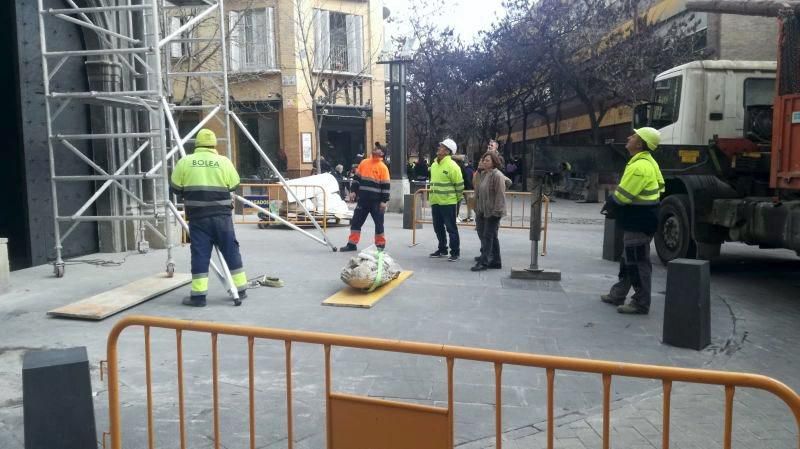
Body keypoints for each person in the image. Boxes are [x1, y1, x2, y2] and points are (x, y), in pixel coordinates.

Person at [170, 128, 247, 307]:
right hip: (222, 217)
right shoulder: (224, 162)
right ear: (214, 144)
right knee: (230, 250)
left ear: (196, 144)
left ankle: (198, 296)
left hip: (198, 219)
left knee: (200, 254)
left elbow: (174, 187)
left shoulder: (185, 162)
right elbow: (234, 184)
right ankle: (241, 288)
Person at [600, 127, 665, 314]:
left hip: (638, 220)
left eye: (634, 136)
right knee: (629, 258)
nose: (629, 137)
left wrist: (610, 203)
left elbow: (622, 197)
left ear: (640, 143)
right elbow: (660, 187)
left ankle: (640, 302)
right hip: (643, 218)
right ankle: (618, 293)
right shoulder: (648, 162)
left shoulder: (639, 167)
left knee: (637, 261)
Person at [339, 145, 390, 252]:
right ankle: (352, 244)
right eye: (375, 148)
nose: (375, 149)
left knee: (379, 223)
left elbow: (386, 186)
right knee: (356, 222)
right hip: (363, 199)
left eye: (378, 149)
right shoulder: (364, 163)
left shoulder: (383, 168)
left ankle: (380, 245)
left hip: (376, 202)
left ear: (382, 154)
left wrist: (384, 201)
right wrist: (353, 191)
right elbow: (357, 179)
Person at [428, 138, 465, 261]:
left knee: (451, 228)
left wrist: (457, 199)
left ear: (448, 151)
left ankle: (455, 252)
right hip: (436, 201)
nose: (439, 148)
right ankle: (442, 249)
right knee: (437, 227)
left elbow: (459, 186)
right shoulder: (434, 165)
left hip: (448, 202)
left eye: (442, 146)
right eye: (440, 145)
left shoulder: (452, 166)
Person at [472, 151, 507, 271]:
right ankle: (496, 261)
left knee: (487, 236)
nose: (484, 162)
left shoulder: (497, 175)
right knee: (491, 236)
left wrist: (496, 212)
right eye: (484, 160)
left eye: (487, 160)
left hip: (493, 212)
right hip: (483, 210)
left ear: (494, 162)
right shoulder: (484, 174)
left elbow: (500, 195)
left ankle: (484, 262)